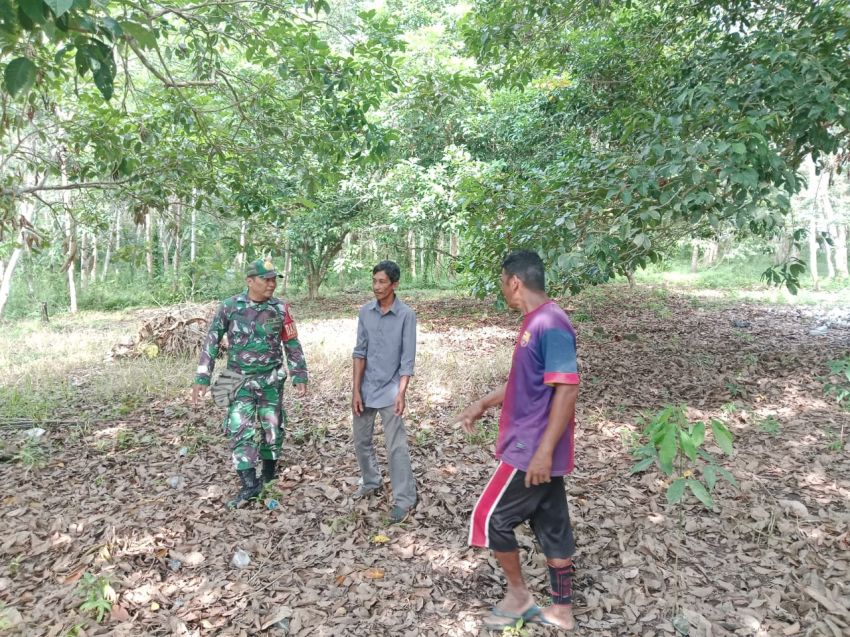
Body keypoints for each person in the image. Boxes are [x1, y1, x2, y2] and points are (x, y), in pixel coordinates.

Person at [455, 250, 580, 631]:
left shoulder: (551, 323)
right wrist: (483, 403)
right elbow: (525, 383)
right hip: (537, 447)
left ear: (514, 281)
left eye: (502, 283)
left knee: (491, 516)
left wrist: (543, 452)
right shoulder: (535, 323)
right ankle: (562, 611)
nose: (503, 290)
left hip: (531, 449)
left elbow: (567, 391)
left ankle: (519, 595)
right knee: (552, 524)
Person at [192, 257, 309, 508]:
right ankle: (249, 484)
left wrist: (300, 374)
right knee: (239, 427)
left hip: (271, 380)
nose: (271, 284)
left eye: (273, 280)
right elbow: (212, 341)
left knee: (273, 428)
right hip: (238, 380)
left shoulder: (280, 309)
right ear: (250, 281)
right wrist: (203, 376)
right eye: (265, 280)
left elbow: (291, 343)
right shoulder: (230, 307)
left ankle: (268, 475)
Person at [351, 260, 417, 524]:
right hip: (366, 388)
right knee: (361, 441)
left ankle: (404, 499)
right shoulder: (365, 312)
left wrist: (401, 393)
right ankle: (371, 481)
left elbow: (407, 360)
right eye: (374, 281)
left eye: (382, 282)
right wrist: (355, 390)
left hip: (391, 390)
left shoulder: (406, 315)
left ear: (394, 285)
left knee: (395, 447)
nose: (377, 287)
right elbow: (359, 352)